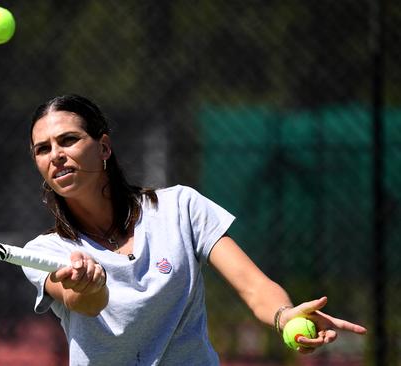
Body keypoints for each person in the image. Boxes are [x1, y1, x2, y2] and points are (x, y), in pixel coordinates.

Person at [22, 94, 367, 365]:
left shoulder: (181, 207)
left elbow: (253, 286)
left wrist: (283, 315)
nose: (56, 155)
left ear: (104, 147)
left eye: (68, 140)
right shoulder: (43, 252)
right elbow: (85, 303)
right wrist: (89, 285)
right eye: (43, 149)